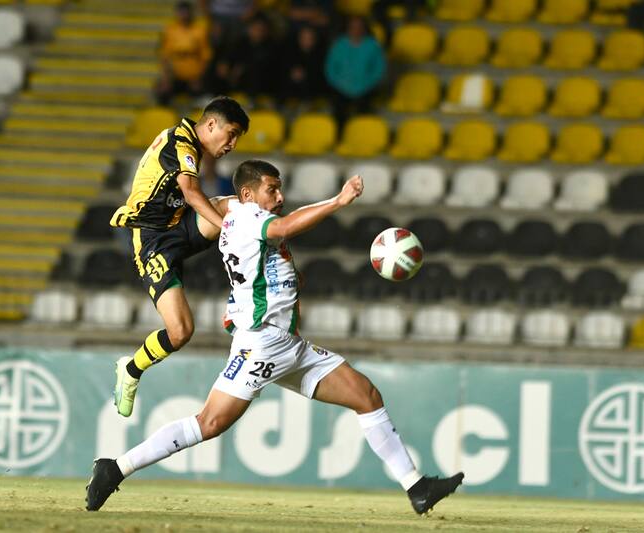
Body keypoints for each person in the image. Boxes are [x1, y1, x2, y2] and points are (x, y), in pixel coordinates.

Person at [87, 160, 465, 514]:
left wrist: (262, 292)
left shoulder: (249, 217)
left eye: (280, 189)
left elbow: (260, 263)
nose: (280, 197)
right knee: (209, 423)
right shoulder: (249, 216)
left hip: (289, 344)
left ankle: (416, 488)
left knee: (366, 396)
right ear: (248, 194)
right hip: (263, 344)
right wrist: (338, 200)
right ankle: (115, 468)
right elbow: (282, 230)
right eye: (272, 189)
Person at [109, 96, 249, 418]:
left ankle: (261, 261)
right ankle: (131, 370)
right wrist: (227, 229)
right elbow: (190, 191)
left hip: (178, 225)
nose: (233, 143)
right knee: (181, 331)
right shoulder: (180, 142)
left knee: (230, 204)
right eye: (231, 133)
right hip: (152, 239)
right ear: (211, 124)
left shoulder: (191, 146)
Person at [324, 16, 387, 127]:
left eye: (359, 27)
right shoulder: (339, 45)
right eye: (352, 27)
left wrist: (366, 85)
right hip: (340, 87)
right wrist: (340, 84)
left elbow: (379, 69)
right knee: (338, 112)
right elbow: (330, 68)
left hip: (366, 88)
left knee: (364, 114)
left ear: (364, 29)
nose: (356, 30)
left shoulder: (373, 45)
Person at [155, 1, 211, 105]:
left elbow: (206, 57)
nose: (184, 16)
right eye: (181, 12)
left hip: (194, 76)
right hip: (175, 76)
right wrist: (166, 78)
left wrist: (199, 77)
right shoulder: (170, 30)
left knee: (201, 92)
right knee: (162, 90)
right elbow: (164, 56)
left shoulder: (200, 30)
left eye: (186, 12)